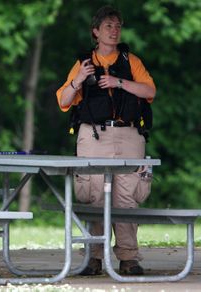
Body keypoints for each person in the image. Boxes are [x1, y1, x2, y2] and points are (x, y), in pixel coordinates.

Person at [56, 6, 156, 276]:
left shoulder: (131, 61)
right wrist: (77, 80)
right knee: (95, 194)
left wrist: (118, 82)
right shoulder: (84, 63)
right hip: (93, 135)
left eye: (118, 26)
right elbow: (64, 101)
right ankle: (93, 257)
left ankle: (128, 257)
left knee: (126, 197)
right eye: (108, 26)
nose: (114, 31)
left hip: (129, 134)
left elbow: (149, 91)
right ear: (96, 31)